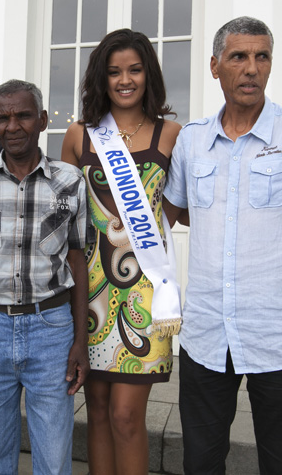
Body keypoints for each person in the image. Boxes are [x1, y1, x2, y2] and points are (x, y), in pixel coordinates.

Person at [164, 16, 282, 475]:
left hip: (280, 337)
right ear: (215, 67)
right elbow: (166, 217)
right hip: (206, 336)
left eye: (261, 56)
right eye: (238, 57)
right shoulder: (192, 141)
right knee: (201, 462)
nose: (251, 68)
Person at [0, 79, 90, 475]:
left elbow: (78, 261)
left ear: (42, 120)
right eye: (3, 118)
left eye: (23, 115)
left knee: (54, 458)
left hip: (52, 329)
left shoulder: (69, 182)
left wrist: (80, 340)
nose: (13, 126)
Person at [60, 28, 182, 475]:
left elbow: (175, 209)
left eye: (134, 70)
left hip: (145, 293)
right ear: (101, 78)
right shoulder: (79, 135)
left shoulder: (172, 133)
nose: (124, 80)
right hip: (89, 290)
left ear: (148, 74)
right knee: (96, 408)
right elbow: (61, 209)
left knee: (127, 415)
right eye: (114, 72)